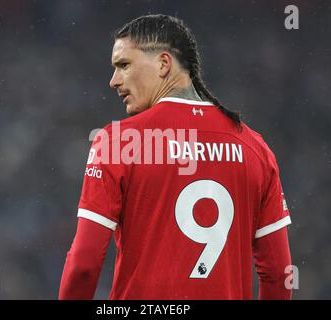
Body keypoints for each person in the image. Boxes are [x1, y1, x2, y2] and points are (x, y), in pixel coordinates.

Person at [59, 14, 292, 300]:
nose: (113, 81)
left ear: (163, 64)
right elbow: (279, 274)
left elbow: (84, 265)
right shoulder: (255, 149)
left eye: (124, 65)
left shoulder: (119, 142)